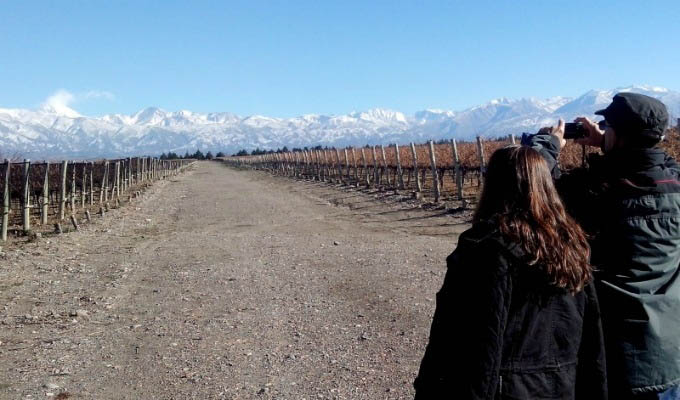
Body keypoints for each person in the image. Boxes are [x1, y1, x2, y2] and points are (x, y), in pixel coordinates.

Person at [413, 145, 607, 399]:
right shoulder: (572, 247)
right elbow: (592, 340)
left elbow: (471, 345)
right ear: (546, 186)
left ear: (493, 185)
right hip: (562, 388)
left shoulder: (486, 248)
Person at [526, 92, 680, 399]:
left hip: (611, 355)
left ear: (620, 135)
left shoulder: (594, 190)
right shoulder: (674, 185)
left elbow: (534, 189)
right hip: (668, 356)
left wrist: (548, 146)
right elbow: (662, 161)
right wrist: (610, 141)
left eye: (607, 126)